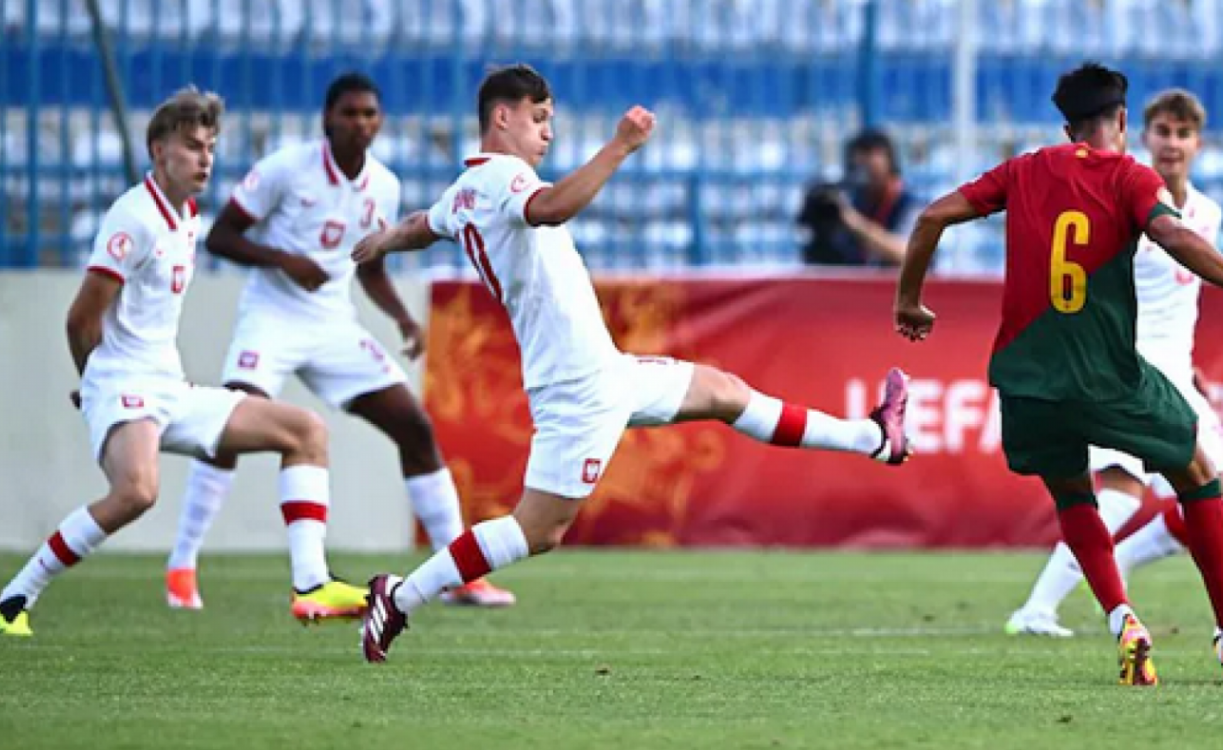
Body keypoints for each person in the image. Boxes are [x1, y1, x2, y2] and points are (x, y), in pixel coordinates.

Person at [347, 64, 913, 663]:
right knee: (538, 531)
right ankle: (401, 596)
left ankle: (874, 436)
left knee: (724, 392)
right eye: (539, 119)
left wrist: (384, 240)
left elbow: (421, 226)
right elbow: (553, 207)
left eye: (552, 122)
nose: (548, 133)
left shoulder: (463, 191)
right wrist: (619, 146)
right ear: (501, 117)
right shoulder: (505, 179)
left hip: (604, 373)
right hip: (578, 388)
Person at [894, 63, 1223, 685]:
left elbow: (932, 216)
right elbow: (1176, 238)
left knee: (1076, 496)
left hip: (1024, 380)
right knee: (1201, 475)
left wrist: (909, 300)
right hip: (1107, 377)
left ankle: (1121, 615)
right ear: (1124, 120)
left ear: (1067, 126)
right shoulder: (1129, 176)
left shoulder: (1023, 169)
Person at [0, 88, 353, 636]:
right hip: (123, 384)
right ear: (158, 151)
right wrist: (94, 386)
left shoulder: (187, 215)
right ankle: (12, 601)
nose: (205, 158)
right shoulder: (132, 217)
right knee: (137, 492)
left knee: (306, 431)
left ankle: (311, 584)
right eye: (191, 146)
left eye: (209, 147)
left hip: (169, 387)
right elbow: (80, 319)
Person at [161, 72, 514, 615]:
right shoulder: (286, 168)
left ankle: (460, 575)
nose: (360, 123)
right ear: (328, 118)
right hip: (272, 318)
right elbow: (221, 236)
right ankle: (182, 566)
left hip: (333, 325)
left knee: (414, 427)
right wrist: (285, 260)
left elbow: (367, 266)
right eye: (349, 113)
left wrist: (401, 319)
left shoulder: (385, 185)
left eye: (369, 114)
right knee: (228, 427)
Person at [1006, 89, 1223, 638]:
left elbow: (1185, 296)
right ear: (1143, 136)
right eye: (1162, 132)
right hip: (1126, 369)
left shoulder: (1208, 213)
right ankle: (1038, 609)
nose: (1172, 144)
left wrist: (1190, 368)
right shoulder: (1124, 197)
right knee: (1119, 490)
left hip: (1174, 372)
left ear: (1198, 144)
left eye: (1182, 134)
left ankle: (1103, 576)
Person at [798, 129, 920, 266]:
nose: (865, 173)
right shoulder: (858, 202)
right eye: (859, 167)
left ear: (890, 163)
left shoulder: (911, 206)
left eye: (872, 165)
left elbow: (911, 255)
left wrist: (855, 223)